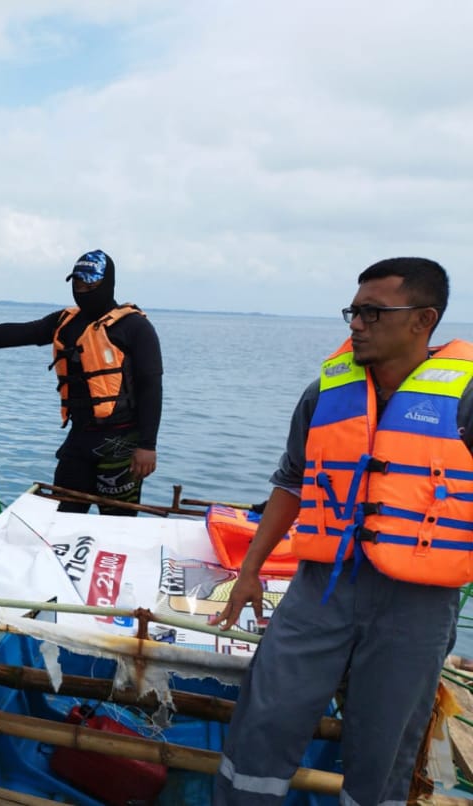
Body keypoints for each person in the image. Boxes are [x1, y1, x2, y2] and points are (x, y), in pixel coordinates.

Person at [211, 257, 471, 805]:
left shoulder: (467, 403)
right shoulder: (325, 394)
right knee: (266, 716)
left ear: (424, 320)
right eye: (353, 311)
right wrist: (249, 572)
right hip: (321, 588)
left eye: (373, 312)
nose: (355, 324)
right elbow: (291, 484)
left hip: (419, 604)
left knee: (384, 747)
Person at [0, 249, 163, 515]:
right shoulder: (66, 321)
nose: (82, 290)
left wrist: (147, 446)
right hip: (80, 437)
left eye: (89, 284)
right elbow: (19, 333)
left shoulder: (135, 327)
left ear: (107, 283)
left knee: (117, 521)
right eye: (77, 283)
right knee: (63, 514)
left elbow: (151, 387)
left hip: (121, 441)